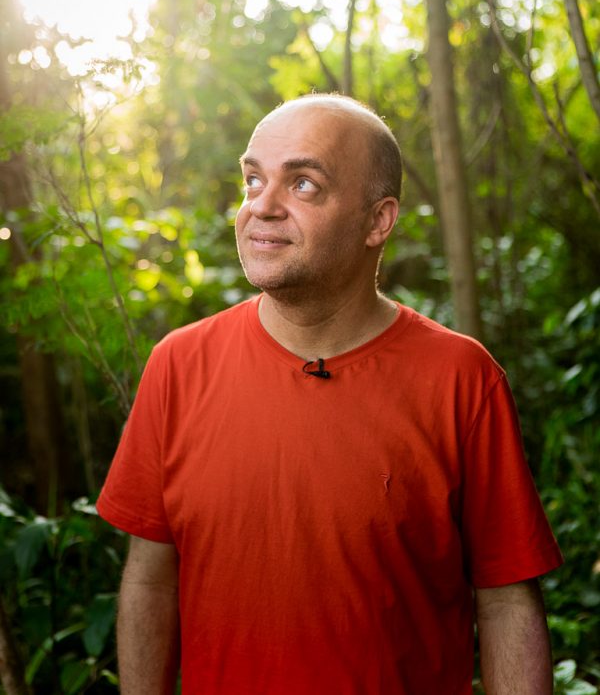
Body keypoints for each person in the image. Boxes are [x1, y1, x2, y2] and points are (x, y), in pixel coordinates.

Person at [97, 94, 563, 695]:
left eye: (304, 184)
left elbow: (505, 603)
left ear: (378, 221)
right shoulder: (178, 365)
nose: (262, 206)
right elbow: (150, 581)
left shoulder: (462, 377)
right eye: (253, 179)